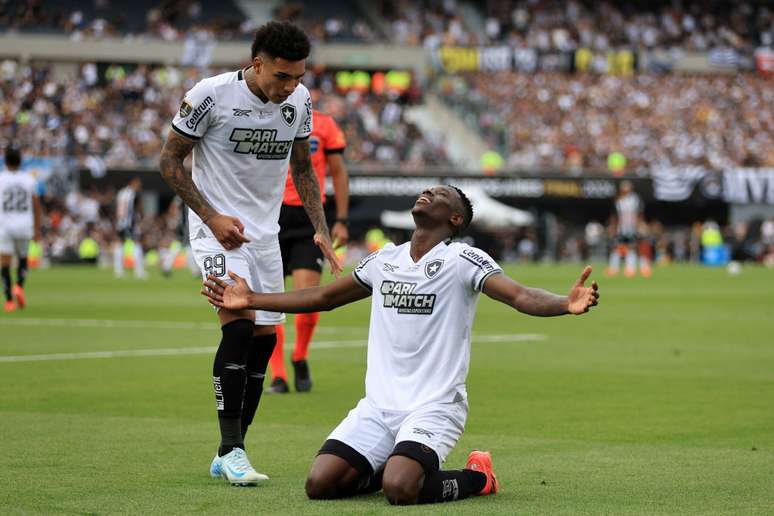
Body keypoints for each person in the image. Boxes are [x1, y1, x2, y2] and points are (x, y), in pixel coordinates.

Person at [202, 185, 600, 505]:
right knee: (320, 485)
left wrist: (565, 304)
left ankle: (478, 478)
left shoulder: (465, 259)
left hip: (434, 405)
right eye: (427, 190)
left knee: (401, 489)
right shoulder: (383, 261)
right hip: (378, 407)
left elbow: (520, 295)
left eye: (441, 195)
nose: (428, 193)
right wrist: (251, 299)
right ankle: (394, 461)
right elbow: (322, 298)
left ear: (455, 218)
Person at [159, 21, 342, 486]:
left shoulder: (298, 103)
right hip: (215, 233)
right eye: (283, 76)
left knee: (264, 343)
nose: (291, 86)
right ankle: (232, 449)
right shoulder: (209, 95)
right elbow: (168, 161)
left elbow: (302, 168)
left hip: (266, 236)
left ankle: (234, 447)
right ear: (256, 64)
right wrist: (212, 215)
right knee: (238, 330)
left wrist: (320, 228)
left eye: (298, 77)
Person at [268, 109, 350, 394]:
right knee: (271, 297)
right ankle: (277, 375)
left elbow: (338, 172)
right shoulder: (262, 118)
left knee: (307, 298)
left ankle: (300, 356)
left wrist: (340, 220)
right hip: (268, 215)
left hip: (308, 216)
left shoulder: (325, 123)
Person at [0, 146, 42, 313]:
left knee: (5, 263)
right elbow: (36, 205)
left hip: (5, 226)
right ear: (20, 161)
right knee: (23, 259)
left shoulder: (1, 179)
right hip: (25, 224)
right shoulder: (29, 179)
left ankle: (9, 301)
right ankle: (19, 285)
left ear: (5, 160)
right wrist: (37, 229)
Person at [607, 180, 650, 277]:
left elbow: (639, 214)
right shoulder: (618, 201)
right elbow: (615, 216)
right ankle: (614, 268)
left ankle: (633, 268)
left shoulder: (635, 199)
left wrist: (641, 225)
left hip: (632, 228)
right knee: (618, 247)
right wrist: (613, 227)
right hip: (621, 229)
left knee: (634, 248)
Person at [113, 177, 145, 279]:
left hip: (120, 222)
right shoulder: (133, 194)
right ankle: (138, 271)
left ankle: (118, 270)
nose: (139, 186)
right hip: (130, 223)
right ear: (132, 183)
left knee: (120, 244)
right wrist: (141, 219)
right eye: (138, 184)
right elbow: (138, 208)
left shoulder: (121, 193)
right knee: (137, 244)